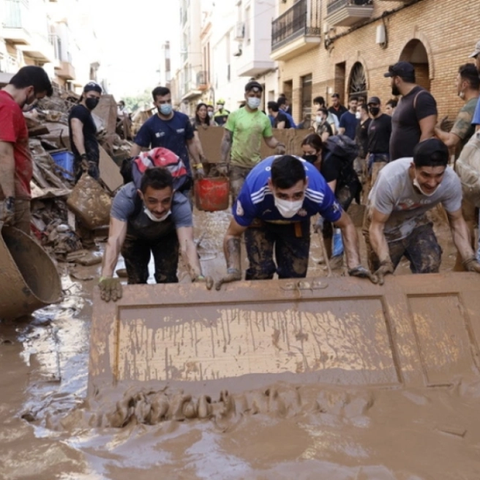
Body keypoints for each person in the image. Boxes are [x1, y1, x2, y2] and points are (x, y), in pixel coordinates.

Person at [215, 155, 374, 289]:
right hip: (260, 221)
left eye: (297, 195)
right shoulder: (254, 192)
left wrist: (355, 266)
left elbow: (346, 224)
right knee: (260, 273)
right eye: (283, 196)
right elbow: (232, 234)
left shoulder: (318, 191)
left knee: (295, 277)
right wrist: (233, 270)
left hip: (297, 222)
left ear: (306, 183)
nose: (290, 202)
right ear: (271, 185)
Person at [363, 138, 480, 284]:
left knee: (430, 265)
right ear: (413, 167)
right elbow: (377, 226)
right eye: (426, 175)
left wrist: (469, 259)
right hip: (384, 226)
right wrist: (385, 262)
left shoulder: (450, 181)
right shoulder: (390, 179)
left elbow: (457, 222)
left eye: (438, 175)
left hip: (416, 221)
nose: (432, 183)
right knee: (382, 277)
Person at [98, 167, 212, 302]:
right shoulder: (126, 198)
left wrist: (197, 276)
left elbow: (187, 244)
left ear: (173, 194)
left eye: (165, 201)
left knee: (167, 281)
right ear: (141, 195)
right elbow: (115, 240)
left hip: (166, 237)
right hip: (134, 237)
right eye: (152, 201)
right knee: (137, 282)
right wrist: (106, 275)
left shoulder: (180, 204)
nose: (159, 208)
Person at [0, 66, 52, 234]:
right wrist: (9, 199)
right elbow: (4, 153)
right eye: (35, 98)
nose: (31, 104)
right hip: (12, 191)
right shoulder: (9, 107)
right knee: (18, 252)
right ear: (30, 90)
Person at [218, 80, 286, 201]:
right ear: (245, 96)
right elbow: (227, 139)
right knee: (238, 198)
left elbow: (269, 139)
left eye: (258, 96)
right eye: (252, 95)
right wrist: (222, 162)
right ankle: (238, 220)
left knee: (255, 199)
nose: (255, 98)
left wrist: (278, 145)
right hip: (236, 166)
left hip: (255, 166)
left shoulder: (264, 118)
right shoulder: (235, 115)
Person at [301, 133, 361, 268]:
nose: (307, 155)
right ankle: (327, 255)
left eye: (310, 152)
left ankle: (338, 257)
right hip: (328, 186)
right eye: (304, 152)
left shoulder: (330, 162)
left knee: (336, 218)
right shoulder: (307, 161)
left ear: (319, 150)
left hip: (345, 185)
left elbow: (330, 194)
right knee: (326, 222)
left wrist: (322, 217)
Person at [130, 86, 204, 181]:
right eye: (162, 102)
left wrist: (199, 165)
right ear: (155, 103)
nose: (167, 104)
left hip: (183, 172)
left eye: (168, 101)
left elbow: (191, 143)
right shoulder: (150, 124)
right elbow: (137, 146)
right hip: (162, 175)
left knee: (184, 195)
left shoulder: (183, 119)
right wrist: (131, 169)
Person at [385, 62, 437, 160]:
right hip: (398, 164)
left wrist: (417, 162)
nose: (389, 83)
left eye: (391, 79)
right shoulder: (402, 99)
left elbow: (428, 133)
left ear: (397, 80)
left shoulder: (422, 97)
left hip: (410, 165)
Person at [435, 64, 479, 155]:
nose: (455, 84)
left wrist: (434, 128)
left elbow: (451, 141)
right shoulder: (476, 104)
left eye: (457, 80)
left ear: (464, 84)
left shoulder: (470, 107)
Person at [69, 81, 103, 182]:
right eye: (91, 96)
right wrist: (83, 156)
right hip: (86, 161)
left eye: (97, 98)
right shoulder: (79, 111)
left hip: (90, 160)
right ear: (84, 94)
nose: (94, 100)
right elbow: (76, 132)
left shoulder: (86, 112)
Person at [366, 96, 392, 187]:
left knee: (380, 185)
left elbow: (392, 137)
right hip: (372, 157)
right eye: (370, 105)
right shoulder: (371, 122)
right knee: (371, 184)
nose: (372, 107)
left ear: (379, 105)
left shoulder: (387, 120)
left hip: (383, 157)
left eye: (374, 104)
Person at [355, 103, 371, 175]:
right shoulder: (359, 123)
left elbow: (371, 138)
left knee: (366, 174)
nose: (357, 112)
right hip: (357, 154)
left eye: (358, 110)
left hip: (366, 154)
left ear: (364, 111)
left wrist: (369, 152)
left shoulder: (370, 123)